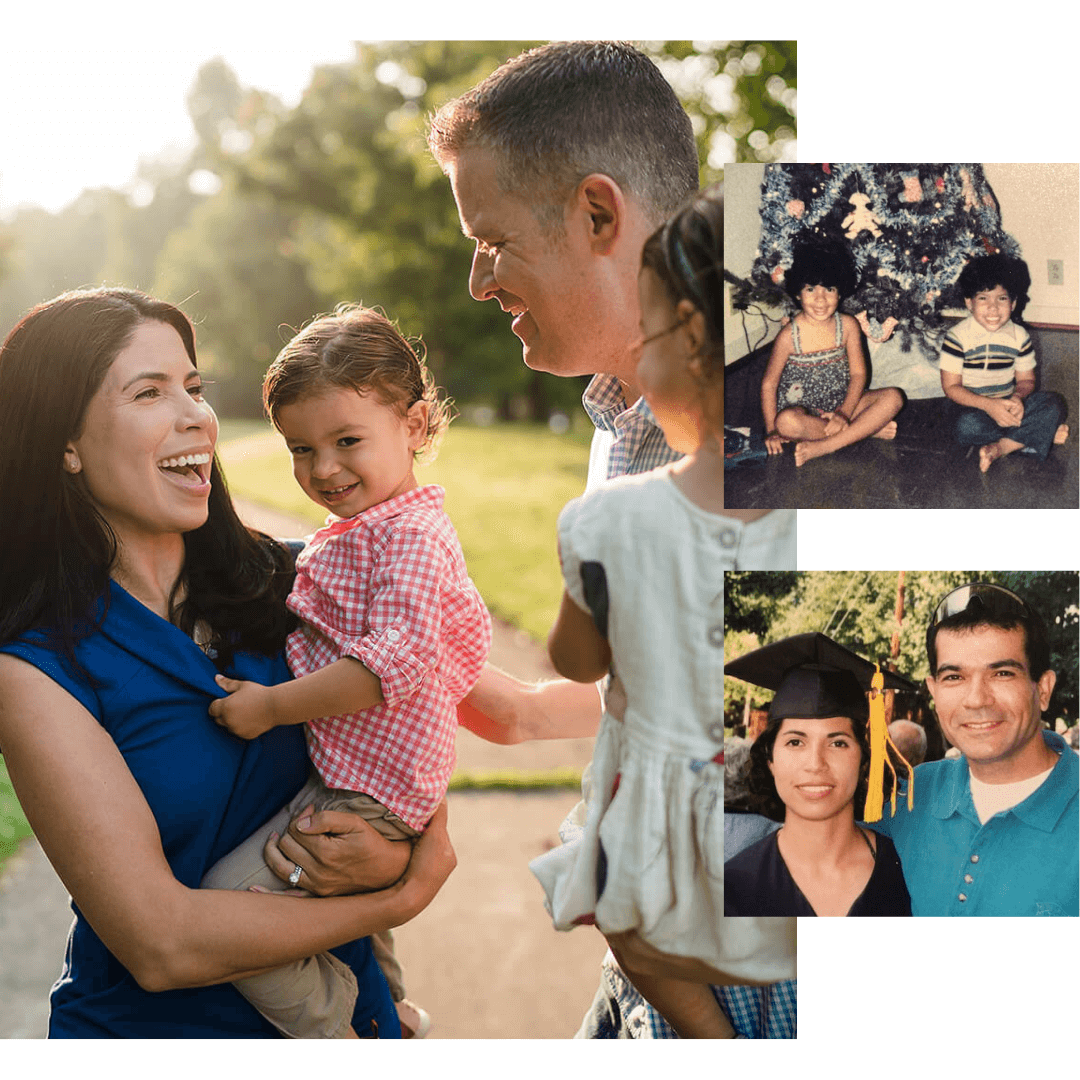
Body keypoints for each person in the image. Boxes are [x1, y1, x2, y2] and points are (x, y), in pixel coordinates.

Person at [429, 42, 796, 1038]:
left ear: (598, 215)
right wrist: (507, 708)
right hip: (648, 976)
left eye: (493, 240)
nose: (477, 280)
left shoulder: (785, 441)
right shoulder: (623, 427)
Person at [0, 288, 455, 1038]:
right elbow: (162, 944)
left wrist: (397, 843)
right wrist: (395, 899)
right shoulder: (36, 671)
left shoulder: (300, 580)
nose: (195, 417)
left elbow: (420, 707)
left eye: (195, 387)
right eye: (149, 392)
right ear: (66, 443)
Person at [530, 189, 796, 1039]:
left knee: (623, 900)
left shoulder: (611, 520)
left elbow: (574, 660)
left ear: (687, 338)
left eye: (644, 341)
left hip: (668, 862)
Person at [200, 306, 491, 1038]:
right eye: (301, 449)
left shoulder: (414, 539)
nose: (323, 469)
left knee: (230, 915)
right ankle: (395, 1018)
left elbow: (387, 665)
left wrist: (271, 707)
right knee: (359, 930)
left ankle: (338, 1032)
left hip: (373, 792)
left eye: (347, 441)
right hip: (362, 776)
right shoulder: (369, 530)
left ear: (416, 427)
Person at [871, 582, 1079, 916]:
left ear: (1043, 689)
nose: (977, 699)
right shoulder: (908, 800)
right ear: (933, 690)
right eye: (954, 677)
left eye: (1002, 673)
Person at [724, 633, 913, 917]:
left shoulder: (909, 874)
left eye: (838, 743)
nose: (815, 763)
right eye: (795, 742)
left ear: (864, 759)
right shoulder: (733, 886)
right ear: (770, 759)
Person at [761, 244, 904, 467]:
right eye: (811, 290)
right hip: (805, 413)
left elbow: (858, 374)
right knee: (786, 422)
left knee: (893, 397)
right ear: (798, 294)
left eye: (829, 289)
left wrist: (844, 414)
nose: (821, 299)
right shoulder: (789, 336)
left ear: (840, 292)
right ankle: (864, 430)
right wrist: (771, 430)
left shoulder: (847, 326)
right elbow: (769, 384)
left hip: (844, 404)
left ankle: (824, 445)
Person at [939, 253, 1069, 472]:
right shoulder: (957, 337)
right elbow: (951, 388)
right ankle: (1035, 435)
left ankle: (1001, 447)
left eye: (1001, 298)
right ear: (969, 303)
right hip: (971, 407)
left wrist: (1017, 398)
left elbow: (1026, 380)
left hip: (1008, 404)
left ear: (1013, 302)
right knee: (965, 426)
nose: (993, 308)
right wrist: (989, 406)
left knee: (1054, 403)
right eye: (983, 298)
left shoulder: (1019, 336)